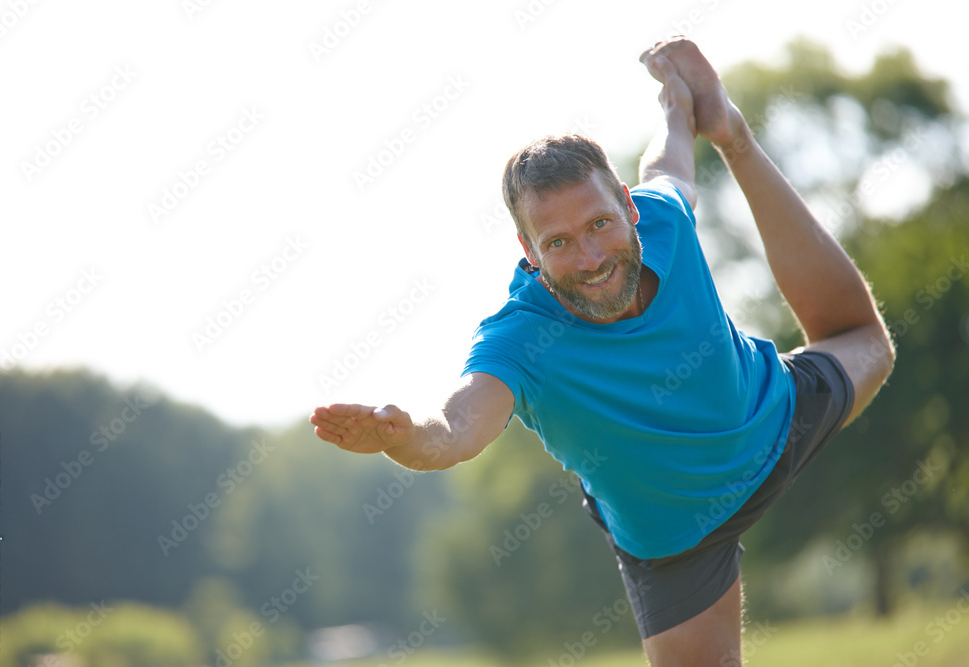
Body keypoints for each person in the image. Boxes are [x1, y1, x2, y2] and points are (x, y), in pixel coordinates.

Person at [310, 37, 895, 666]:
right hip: (675, 543)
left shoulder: (661, 216)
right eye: (558, 242)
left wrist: (690, 116)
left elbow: (667, 169)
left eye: (599, 224)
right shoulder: (520, 336)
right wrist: (403, 435)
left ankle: (737, 135)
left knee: (867, 342)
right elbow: (455, 426)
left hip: (776, 418)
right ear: (528, 252)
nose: (590, 259)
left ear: (625, 204)